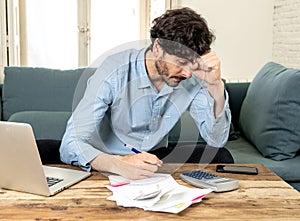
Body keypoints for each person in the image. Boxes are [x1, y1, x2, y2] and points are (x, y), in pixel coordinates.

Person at [60, 7, 232, 180]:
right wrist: (119, 164)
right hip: (107, 157)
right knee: (45, 150)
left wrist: (215, 85)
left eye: (192, 64)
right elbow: (71, 142)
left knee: (221, 155)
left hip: (155, 158)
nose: (187, 74)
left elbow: (216, 141)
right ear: (158, 47)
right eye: (181, 62)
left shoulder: (194, 77)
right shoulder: (114, 70)